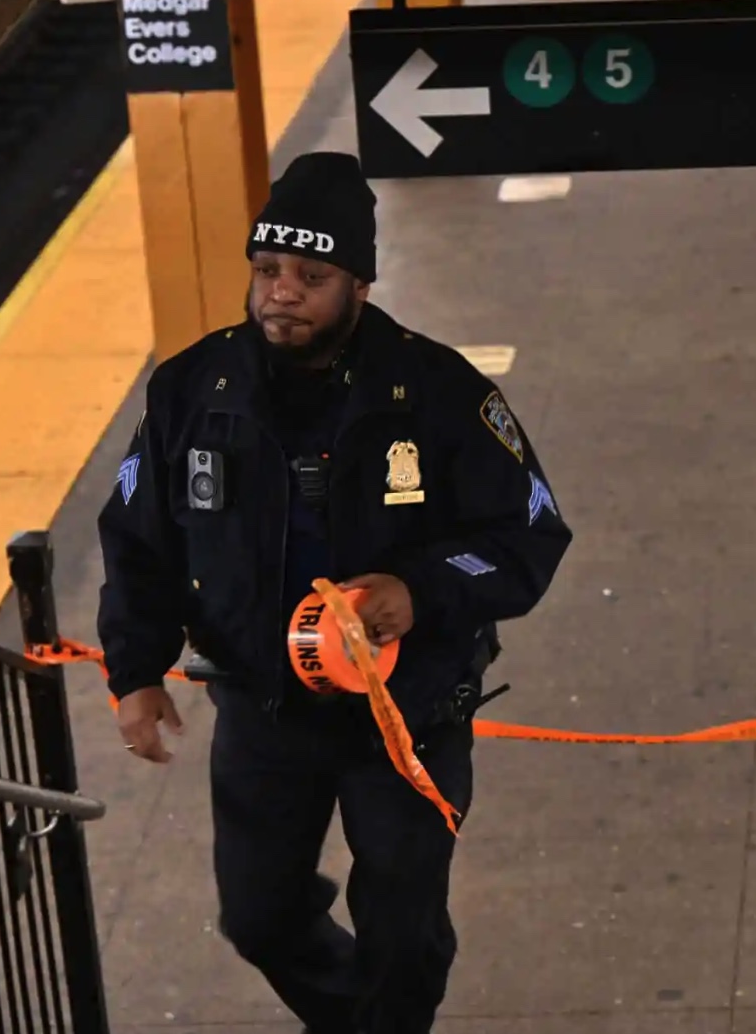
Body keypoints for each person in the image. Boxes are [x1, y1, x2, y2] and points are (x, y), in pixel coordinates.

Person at [95, 151, 572, 1034]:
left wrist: (418, 588)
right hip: (263, 705)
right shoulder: (194, 391)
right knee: (258, 917)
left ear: (358, 280)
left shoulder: (439, 395)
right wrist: (135, 670)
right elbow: (138, 541)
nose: (281, 292)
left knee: (401, 929)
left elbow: (529, 537)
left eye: (311, 277)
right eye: (268, 271)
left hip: (409, 709)